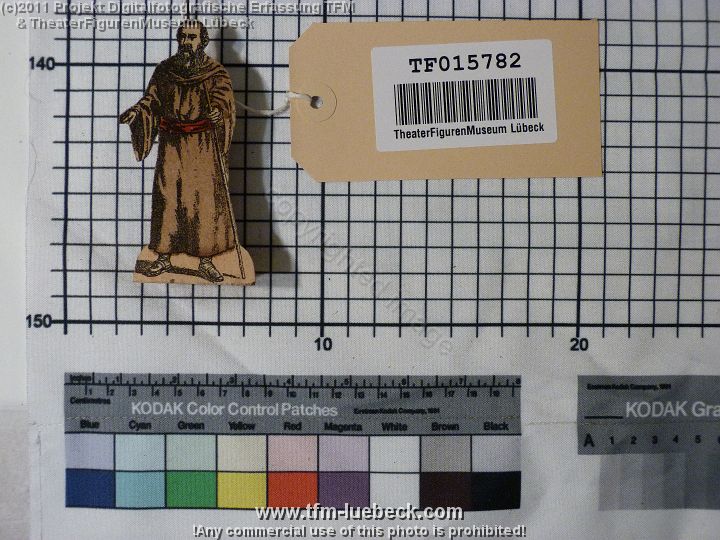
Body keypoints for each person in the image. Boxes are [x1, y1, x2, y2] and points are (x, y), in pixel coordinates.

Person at [119, 19, 238, 283]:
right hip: (172, 145)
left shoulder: (215, 73)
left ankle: (205, 262)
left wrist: (218, 112)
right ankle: (164, 258)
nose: (186, 42)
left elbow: (224, 102)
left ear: (203, 41)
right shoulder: (165, 70)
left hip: (203, 146)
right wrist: (138, 111)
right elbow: (152, 100)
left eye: (192, 38)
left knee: (203, 201)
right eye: (182, 37)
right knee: (168, 198)